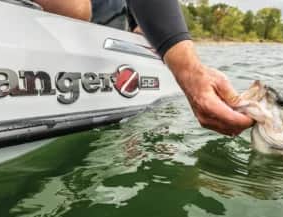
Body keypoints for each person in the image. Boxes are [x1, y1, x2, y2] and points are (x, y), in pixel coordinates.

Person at [35, 0, 253, 136]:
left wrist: (189, 70)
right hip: (63, 24)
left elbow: (144, 28)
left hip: (115, 40)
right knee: (74, 8)